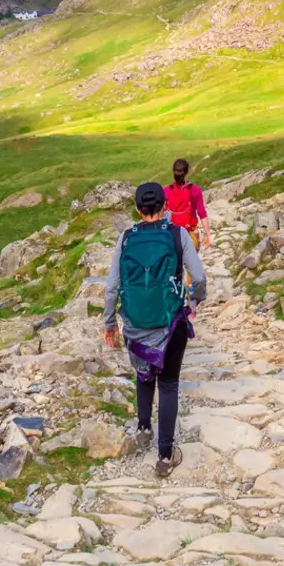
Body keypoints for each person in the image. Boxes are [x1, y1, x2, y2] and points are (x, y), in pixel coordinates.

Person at [102, 180, 206, 477]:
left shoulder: (125, 238)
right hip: (170, 322)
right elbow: (197, 276)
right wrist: (196, 300)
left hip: (134, 324)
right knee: (170, 383)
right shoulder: (178, 234)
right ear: (166, 206)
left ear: (137, 209)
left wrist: (110, 322)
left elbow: (112, 288)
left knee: (143, 375)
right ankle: (164, 455)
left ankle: (144, 428)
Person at [165, 158, 210, 252]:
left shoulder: (166, 191)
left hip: (171, 235)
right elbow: (202, 213)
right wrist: (208, 234)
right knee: (191, 264)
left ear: (173, 172)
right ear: (187, 172)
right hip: (190, 233)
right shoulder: (195, 190)